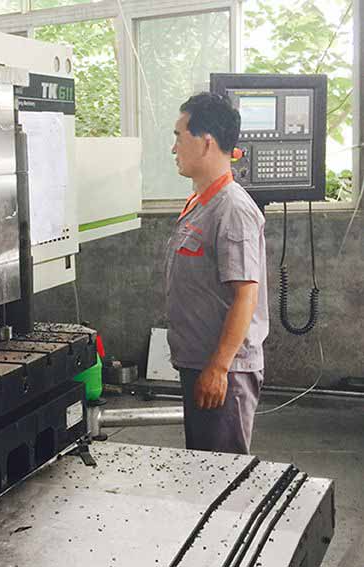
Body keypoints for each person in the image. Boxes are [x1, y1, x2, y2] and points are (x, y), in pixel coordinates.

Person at [166, 92, 269, 455]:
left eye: (179, 137)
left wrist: (219, 368)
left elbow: (245, 294)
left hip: (224, 370)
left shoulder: (232, 209)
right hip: (199, 364)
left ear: (206, 142)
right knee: (203, 470)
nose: (174, 148)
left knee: (222, 474)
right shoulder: (201, 202)